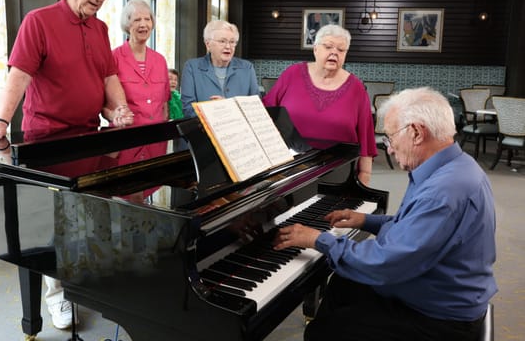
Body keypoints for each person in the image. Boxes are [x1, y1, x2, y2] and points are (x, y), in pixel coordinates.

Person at [0, 0, 134, 330]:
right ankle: (57, 298)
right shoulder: (38, 21)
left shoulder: (101, 28)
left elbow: (108, 76)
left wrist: (118, 109)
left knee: (87, 219)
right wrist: (1, 121)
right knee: (53, 226)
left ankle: (84, 285)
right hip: (47, 141)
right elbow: (19, 74)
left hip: (89, 137)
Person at [273, 87, 497, 341]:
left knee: (323, 332)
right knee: (343, 283)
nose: (388, 149)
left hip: (440, 319)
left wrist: (317, 239)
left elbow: (385, 264)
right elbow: (416, 228)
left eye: (390, 138)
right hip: (437, 288)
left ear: (416, 133)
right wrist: (367, 220)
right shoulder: (454, 165)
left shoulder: (444, 191)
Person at [263, 24, 376, 185]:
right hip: (288, 170)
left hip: (338, 174)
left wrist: (364, 176)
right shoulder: (292, 74)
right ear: (315, 49)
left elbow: (366, 137)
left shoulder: (356, 88)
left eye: (341, 50)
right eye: (328, 46)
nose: (334, 53)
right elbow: (264, 112)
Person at [180, 19, 259, 118]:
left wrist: (228, 108)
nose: (228, 46)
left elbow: (256, 107)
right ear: (208, 44)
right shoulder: (192, 67)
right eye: (222, 41)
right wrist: (219, 112)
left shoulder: (247, 68)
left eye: (232, 42)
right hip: (202, 131)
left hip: (238, 130)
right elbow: (188, 109)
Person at [111, 0, 170, 126]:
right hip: (127, 139)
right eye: (137, 20)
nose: (143, 24)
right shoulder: (113, 57)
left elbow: (165, 107)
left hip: (157, 140)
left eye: (147, 19)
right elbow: (106, 105)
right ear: (127, 24)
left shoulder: (160, 60)